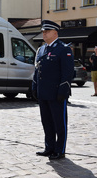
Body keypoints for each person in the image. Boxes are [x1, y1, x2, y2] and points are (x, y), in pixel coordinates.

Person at [32, 20, 74, 160]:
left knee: (59, 123)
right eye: (43, 31)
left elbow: (67, 73)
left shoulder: (63, 49)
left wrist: (63, 90)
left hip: (57, 93)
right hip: (43, 92)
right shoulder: (41, 49)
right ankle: (49, 147)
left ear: (55, 33)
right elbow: (37, 69)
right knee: (47, 122)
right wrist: (34, 86)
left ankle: (59, 149)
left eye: (47, 31)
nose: (44, 33)